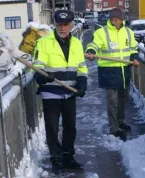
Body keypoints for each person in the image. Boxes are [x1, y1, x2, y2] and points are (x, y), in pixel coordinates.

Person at [33, 9, 88, 175]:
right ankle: (56, 160)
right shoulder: (43, 42)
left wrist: (82, 82)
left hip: (70, 92)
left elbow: (81, 67)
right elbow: (37, 66)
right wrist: (43, 76)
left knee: (70, 127)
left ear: (72, 25)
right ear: (55, 24)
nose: (62, 28)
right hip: (50, 92)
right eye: (59, 24)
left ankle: (68, 157)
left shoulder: (77, 44)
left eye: (65, 25)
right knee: (52, 128)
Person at [85, 8, 139, 141]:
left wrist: (134, 57)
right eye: (112, 19)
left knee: (123, 99)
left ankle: (120, 121)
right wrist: (91, 51)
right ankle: (114, 127)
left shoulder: (128, 32)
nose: (114, 21)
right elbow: (93, 44)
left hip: (124, 71)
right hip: (109, 72)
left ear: (121, 20)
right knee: (112, 101)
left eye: (117, 19)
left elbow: (133, 47)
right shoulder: (101, 32)